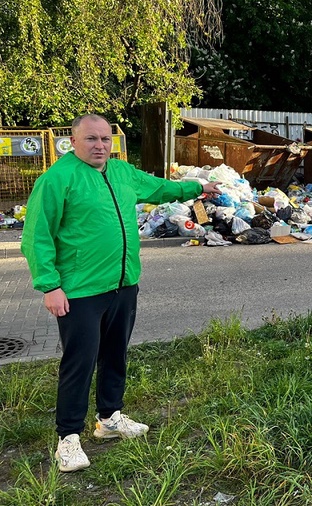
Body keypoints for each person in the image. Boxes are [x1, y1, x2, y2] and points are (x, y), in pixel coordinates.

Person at [21, 113, 222, 473]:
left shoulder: (121, 172)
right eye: (91, 139)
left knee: (115, 355)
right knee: (79, 363)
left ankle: (109, 418)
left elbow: (159, 188)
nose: (100, 145)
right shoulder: (56, 179)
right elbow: (36, 236)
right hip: (80, 291)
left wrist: (197, 187)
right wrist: (50, 286)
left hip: (124, 284)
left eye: (105, 139)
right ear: (73, 141)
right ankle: (68, 438)